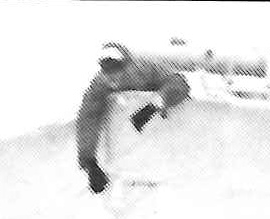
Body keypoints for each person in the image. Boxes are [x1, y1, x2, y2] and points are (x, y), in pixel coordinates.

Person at [77, 41, 190, 194]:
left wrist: (153, 106)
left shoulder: (146, 68)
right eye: (106, 73)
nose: (111, 79)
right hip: (131, 154)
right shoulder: (100, 83)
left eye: (115, 72)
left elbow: (179, 83)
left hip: (163, 145)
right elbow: (88, 118)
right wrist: (90, 163)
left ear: (127, 66)